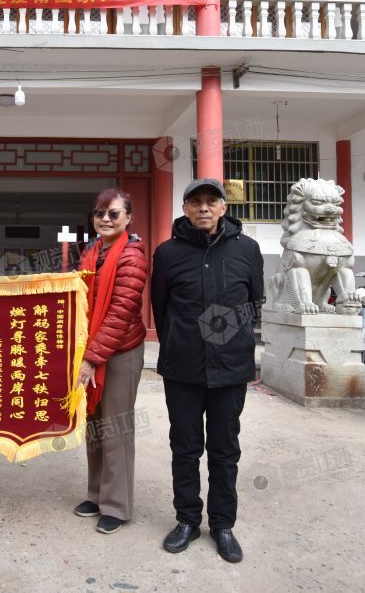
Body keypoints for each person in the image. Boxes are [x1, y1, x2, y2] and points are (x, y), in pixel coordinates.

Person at [151, 178, 264, 563]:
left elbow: (254, 303)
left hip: (230, 369)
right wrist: (182, 341)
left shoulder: (247, 249)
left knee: (224, 449)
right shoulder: (167, 253)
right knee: (184, 449)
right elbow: (160, 308)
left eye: (211, 201)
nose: (203, 208)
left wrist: (223, 337)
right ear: (184, 209)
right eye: (195, 202)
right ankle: (186, 519)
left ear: (223, 208)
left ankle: (222, 525)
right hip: (182, 370)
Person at [74, 189, 149, 535]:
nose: (105, 219)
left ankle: (116, 505)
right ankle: (96, 494)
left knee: (115, 426)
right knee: (94, 423)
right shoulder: (91, 252)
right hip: (92, 347)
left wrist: (92, 359)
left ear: (128, 218)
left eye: (114, 214)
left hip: (121, 351)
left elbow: (120, 312)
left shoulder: (132, 256)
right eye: (99, 213)